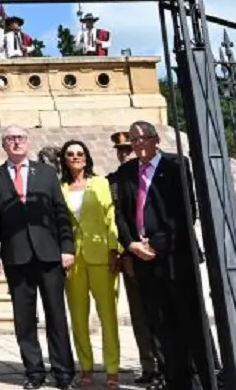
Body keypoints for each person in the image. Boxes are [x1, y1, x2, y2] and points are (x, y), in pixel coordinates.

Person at [113, 122, 213, 390]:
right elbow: (120, 213)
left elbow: (186, 210)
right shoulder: (126, 172)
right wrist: (131, 244)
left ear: (156, 140)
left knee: (190, 320)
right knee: (159, 323)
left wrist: (156, 245)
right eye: (133, 139)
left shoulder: (176, 165)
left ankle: (207, 378)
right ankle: (176, 380)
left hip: (174, 257)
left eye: (143, 138)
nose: (137, 144)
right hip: (142, 259)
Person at [0, 125, 75, 390]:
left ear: (28, 142)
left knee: (56, 315)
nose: (16, 143)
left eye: (20, 138)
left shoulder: (46, 173)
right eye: (10, 139)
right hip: (16, 256)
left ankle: (63, 372)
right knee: (24, 319)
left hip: (49, 255)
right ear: (3, 145)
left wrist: (67, 247)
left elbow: (61, 213)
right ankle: (34, 371)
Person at [59, 140, 121, 389]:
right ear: (64, 159)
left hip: (101, 256)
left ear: (87, 157)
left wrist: (115, 248)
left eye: (79, 153)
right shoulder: (60, 187)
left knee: (108, 315)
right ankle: (85, 366)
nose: (75, 157)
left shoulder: (101, 183)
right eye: (70, 154)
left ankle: (113, 369)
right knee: (78, 316)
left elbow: (111, 216)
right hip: (72, 259)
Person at [104, 132, 157, 384]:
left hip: (158, 251)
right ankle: (150, 364)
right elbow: (112, 219)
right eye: (121, 150)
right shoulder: (113, 180)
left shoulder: (152, 173)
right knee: (139, 313)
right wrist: (121, 249)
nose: (125, 154)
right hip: (130, 254)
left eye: (129, 149)